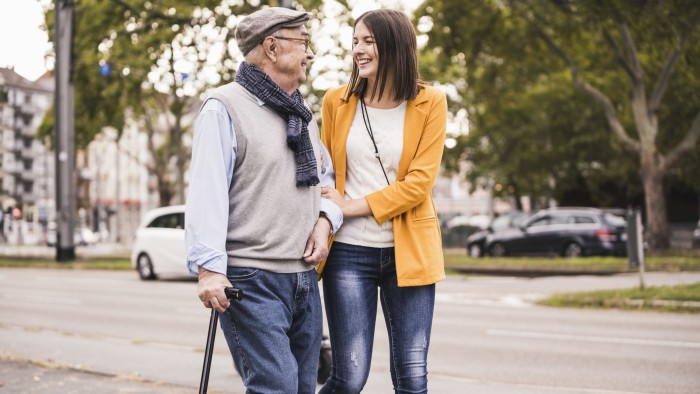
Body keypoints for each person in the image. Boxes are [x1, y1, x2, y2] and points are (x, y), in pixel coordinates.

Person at [185, 7, 342, 394]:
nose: (310, 53)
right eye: (303, 42)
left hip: (303, 277)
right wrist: (208, 269)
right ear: (271, 47)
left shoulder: (302, 115)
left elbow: (326, 182)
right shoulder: (224, 107)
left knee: (304, 387)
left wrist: (325, 222)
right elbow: (207, 192)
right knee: (277, 386)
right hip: (250, 278)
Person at [317, 9, 447, 393]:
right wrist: (328, 214)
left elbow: (418, 184)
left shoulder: (431, 102)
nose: (358, 49)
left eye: (368, 41)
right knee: (349, 378)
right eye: (355, 41)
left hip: (410, 253)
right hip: (348, 255)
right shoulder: (335, 102)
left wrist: (348, 205)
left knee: (412, 378)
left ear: (394, 45)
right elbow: (324, 178)